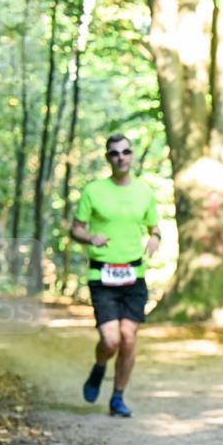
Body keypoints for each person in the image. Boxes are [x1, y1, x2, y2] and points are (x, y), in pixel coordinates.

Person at [70, 134, 160, 418]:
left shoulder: (145, 192)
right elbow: (75, 229)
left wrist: (155, 239)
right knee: (110, 340)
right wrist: (89, 237)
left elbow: (154, 228)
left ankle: (118, 397)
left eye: (125, 151)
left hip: (134, 274)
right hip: (103, 275)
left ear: (131, 156)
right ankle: (99, 367)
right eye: (114, 153)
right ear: (108, 158)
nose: (120, 156)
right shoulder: (93, 191)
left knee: (128, 338)